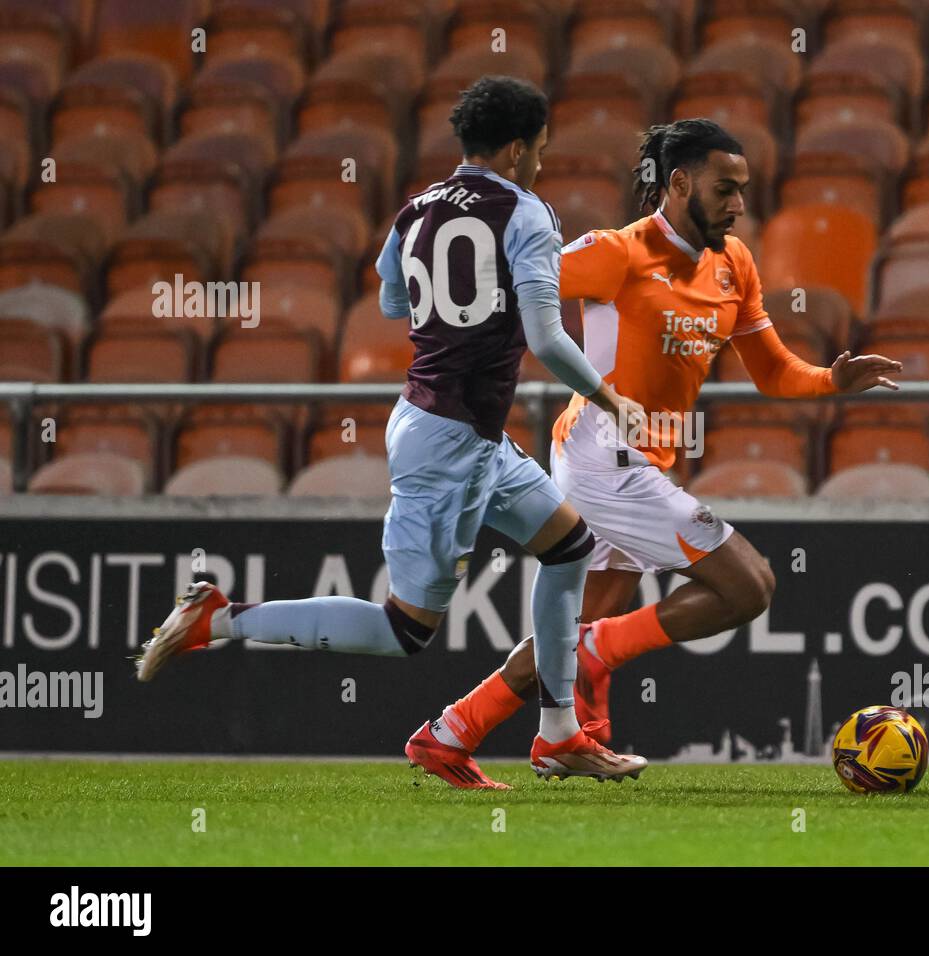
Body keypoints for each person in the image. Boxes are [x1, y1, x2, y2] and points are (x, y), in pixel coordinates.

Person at [136, 76, 650, 788]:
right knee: (403, 629)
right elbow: (545, 333)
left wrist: (453, 313)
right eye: (537, 151)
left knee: (569, 548)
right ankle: (221, 619)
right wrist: (608, 396)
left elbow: (387, 297)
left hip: (460, 429)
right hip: (449, 442)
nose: (539, 163)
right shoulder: (526, 213)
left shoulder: (416, 210)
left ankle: (559, 733)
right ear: (514, 148)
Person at [419, 118, 902, 788]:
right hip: (601, 459)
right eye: (725, 189)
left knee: (581, 623)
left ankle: (450, 733)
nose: (738, 204)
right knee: (749, 584)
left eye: (743, 190)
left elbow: (771, 371)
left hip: (639, 466)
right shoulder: (618, 253)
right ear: (679, 183)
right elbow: (512, 287)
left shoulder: (733, 264)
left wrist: (829, 380)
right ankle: (591, 655)